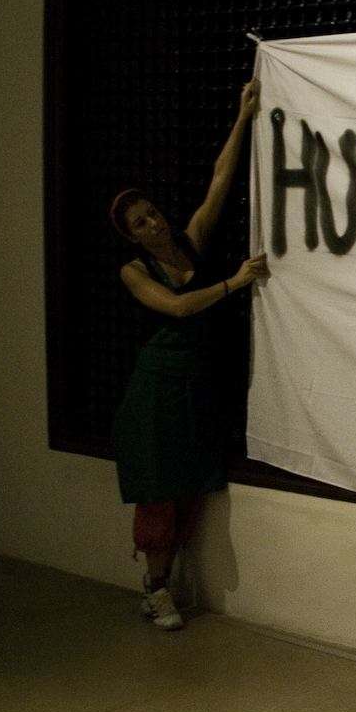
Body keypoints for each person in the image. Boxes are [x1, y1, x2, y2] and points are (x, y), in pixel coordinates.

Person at [110, 79, 270, 630]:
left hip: (194, 387)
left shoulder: (188, 242)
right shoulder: (134, 272)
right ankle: (157, 589)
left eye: (152, 213)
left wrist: (243, 116)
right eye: (141, 223)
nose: (153, 223)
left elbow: (219, 181)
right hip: (156, 391)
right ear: (132, 237)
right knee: (158, 494)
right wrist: (234, 283)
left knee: (190, 492)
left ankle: (161, 584)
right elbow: (177, 308)